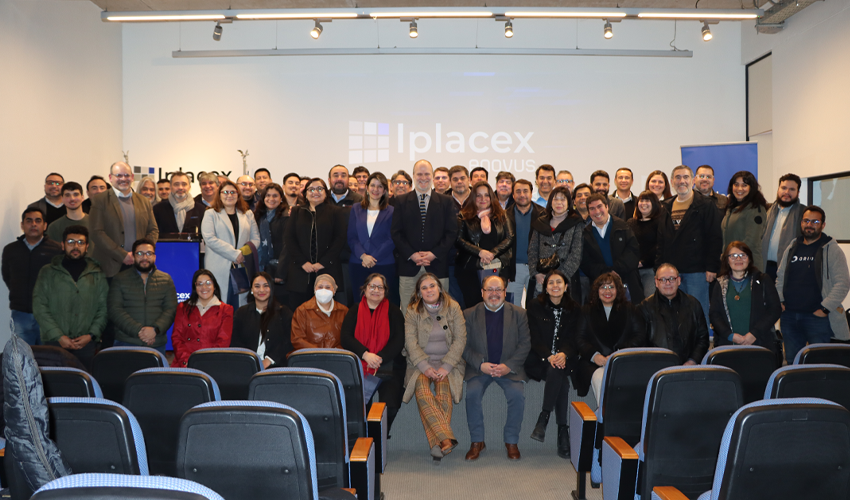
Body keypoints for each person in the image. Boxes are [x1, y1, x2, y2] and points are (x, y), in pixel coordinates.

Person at [462, 276, 531, 461]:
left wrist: (509, 366)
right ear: (482, 292)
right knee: (472, 394)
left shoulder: (519, 313)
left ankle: (511, 441)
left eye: (498, 290)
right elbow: (462, 345)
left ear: (505, 292)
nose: (494, 294)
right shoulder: (468, 314)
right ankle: (477, 441)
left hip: (508, 369)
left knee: (517, 395)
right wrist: (480, 364)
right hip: (479, 369)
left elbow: (525, 344)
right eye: (489, 290)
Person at [402, 273, 466, 463]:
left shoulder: (453, 307)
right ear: (419, 293)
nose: (429, 290)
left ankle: (438, 444)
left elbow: (461, 339)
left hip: (449, 364)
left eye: (432, 286)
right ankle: (445, 439)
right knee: (421, 389)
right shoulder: (412, 310)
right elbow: (410, 343)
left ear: (440, 288)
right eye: (424, 288)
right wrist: (424, 366)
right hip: (419, 364)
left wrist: (446, 366)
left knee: (444, 393)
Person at [776, 205, 850, 363]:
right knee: (792, 362)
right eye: (806, 221)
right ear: (801, 223)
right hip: (789, 317)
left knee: (819, 363)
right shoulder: (792, 246)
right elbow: (780, 276)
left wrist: (825, 308)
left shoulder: (831, 249)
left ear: (823, 225)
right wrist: (780, 300)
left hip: (816, 318)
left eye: (815, 221)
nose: (809, 224)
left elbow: (842, 283)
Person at [656, 165, 722, 328]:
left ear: (692, 181)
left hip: (697, 271)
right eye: (677, 177)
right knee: (674, 316)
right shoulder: (666, 206)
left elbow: (715, 237)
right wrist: (659, 268)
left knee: (698, 315)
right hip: (671, 272)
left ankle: (700, 353)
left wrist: (712, 267)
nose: (681, 181)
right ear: (672, 182)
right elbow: (661, 240)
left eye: (685, 177)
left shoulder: (705, 204)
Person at [33, 225, 106, 369]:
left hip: (86, 344)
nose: (75, 246)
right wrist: (59, 336)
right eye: (71, 242)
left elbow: (103, 308)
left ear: (87, 246)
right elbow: (39, 306)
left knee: (83, 385)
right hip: (55, 342)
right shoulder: (48, 272)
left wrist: (90, 335)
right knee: (56, 386)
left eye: (80, 242)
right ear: (62, 245)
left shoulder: (97, 273)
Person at [525, 270, 579, 458]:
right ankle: (562, 431)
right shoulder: (534, 306)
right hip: (540, 360)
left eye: (559, 282)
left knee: (559, 374)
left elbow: (574, 339)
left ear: (566, 287)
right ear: (545, 288)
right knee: (559, 375)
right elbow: (534, 336)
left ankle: (544, 418)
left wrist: (563, 354)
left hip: (565, 359)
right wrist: (549, 356)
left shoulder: (574, 308)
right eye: (551, 283)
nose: (555, 286)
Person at [341, 273, 406, 429]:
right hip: (360, 364)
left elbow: (398, 340)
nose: (376, 290)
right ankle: (363, 437)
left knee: (390, 402)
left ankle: (380, 434)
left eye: (380, 287)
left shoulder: (394, 311)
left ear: (385, 291)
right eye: (372, 286)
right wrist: (365, 354)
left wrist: (379, 358)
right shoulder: (354, 310)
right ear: (364, 288)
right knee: (359, 405)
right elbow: (345, 337)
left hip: (388, 364)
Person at [391, 160, 459, 305]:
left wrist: (433, 254)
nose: (423, 178)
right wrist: (412, 255)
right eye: (419, 174)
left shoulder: (446, 201)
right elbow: (396, 233)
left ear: (432, 176)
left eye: (427, 174)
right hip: (409, 266)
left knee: (440, 309)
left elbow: (451, 232)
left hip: (437, 266)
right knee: (408, 312)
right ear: (414, 176)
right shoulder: (401, 201)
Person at [576, 273, 645, 402]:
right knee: (600, 379)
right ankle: (606, 418)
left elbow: (640, 335)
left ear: (618, 290)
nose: (607, 291)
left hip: (624, 361)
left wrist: (618, 354)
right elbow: (580, 339)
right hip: (594, 362)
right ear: (597, 290)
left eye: (611, 287)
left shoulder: (630, 309)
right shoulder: (586, 311)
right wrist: (596, 356)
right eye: (603, 287)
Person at [710, 242, 781, 361]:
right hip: (728, 346)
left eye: (743, 255)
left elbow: (775, 310)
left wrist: (754, 334)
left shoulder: (763, 280)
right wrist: (730, 336)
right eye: (733, 256)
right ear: (727, 260)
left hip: (759, 344)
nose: (738, 259)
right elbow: (714, 314)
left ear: (749, 259)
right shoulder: (719, 283)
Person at [2, 208, 63, 345]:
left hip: (49, 314)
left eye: (38, 221)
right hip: (20, 313)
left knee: (48, 358)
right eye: (29, 221)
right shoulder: (11, 250)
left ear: (45, 225)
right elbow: (7, 277)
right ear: (22, 225)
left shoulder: (56, 250)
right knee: (23, 358)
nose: (33, 224)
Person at [107, 239, 177, 355]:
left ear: (154, 257)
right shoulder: (120, 279)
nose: (145, 257)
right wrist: (139, 331)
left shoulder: (166, 280)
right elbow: (115, 310)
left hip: (156, 343)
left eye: (149, 253)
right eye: (140, 253)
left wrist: (155, 330)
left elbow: (171, 309)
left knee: (154, 374)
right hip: (126, 343)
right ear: (133, 257)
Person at [285, 178, 346, 310]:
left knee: (326, 311)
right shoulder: (296, 211)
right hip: (300, 272)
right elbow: (289, 239)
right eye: (311, 189)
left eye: (319, 188)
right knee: (299, 312)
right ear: (305, 193)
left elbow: (340, 239)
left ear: (326, 192)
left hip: (327, 269)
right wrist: (303, 262)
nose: (315, 192)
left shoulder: (335, 212)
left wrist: (323, 263)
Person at [90, 161, 158, 279]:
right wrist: (122, 255)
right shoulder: (100, 200)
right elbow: (96, 232)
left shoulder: (144, 201)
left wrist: (141, 254)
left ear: (132, 177)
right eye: (119, 175)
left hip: (138, 266)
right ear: (111, 178)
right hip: (109, 267)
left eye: (126, 175)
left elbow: (153, 230)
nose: (123, 179)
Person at [201, 179, 260, 307]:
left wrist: (241, 253)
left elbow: (256, 239)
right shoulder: (211, 213)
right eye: (225, 192)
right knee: (219, 304)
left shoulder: (247, 213)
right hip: (218, 267)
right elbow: (209, 238)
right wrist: (234, 254)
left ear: (238, 195)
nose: (229, 195)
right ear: (219, 194)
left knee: (240, 306)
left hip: (241, 266)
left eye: (233, 192)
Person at [456, 181, 514, 308]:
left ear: (491, 197)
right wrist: (480, 252)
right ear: (473, 197)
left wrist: (492, 253)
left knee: (496, 306)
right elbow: (459, 240)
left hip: (497, 267)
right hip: (470, 270)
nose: (483, 199)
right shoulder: (463, 216)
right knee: (473, 308)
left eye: (486, 195)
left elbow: (510, 238)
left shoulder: (502, 215)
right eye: (478, 195)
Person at [638, 264, 709, 366]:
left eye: (672, 279)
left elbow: (703, 338)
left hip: (689, 367)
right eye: (662, 279)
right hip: (656, 367)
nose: (668, 283)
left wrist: (692, 361)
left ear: (679, 281)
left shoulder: (693, 304)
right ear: (656, 282)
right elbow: (641, 343)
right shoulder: (644, 307)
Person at [580, 194, 644, 303]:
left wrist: (616, 270)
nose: (596, 211)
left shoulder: (623, 226)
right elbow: (586, 263)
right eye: (592, 208)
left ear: (607, 206)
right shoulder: (584, 234)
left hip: (628, 283)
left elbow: (633, 251)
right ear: (588, 212)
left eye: (599, 206)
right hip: (599, 287)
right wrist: (607, 274)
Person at [348, 172, 398, 305]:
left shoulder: (392, 211)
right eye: (373, 185)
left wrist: (373, 257)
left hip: (383, 263)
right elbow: (352, 237)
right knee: (360, 303)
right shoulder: (356, 208)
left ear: (385, 190)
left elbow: (392, 238)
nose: (376, 189)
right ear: (367, 188)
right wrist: (363, 256)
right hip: (359, 263)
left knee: (383, 304)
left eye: (380, 186)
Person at [527, 186, 583, 302]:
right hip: (541, 277)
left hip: (566, 279)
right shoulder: (540, 222)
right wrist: (536, 273)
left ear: (569, 202)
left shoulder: (576, 223)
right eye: (555, 199)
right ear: (550, 202)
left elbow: (576, 254)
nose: (559, 203)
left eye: (562, 199)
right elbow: (532, 250)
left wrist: (560, 278)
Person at [170, 270, 234, 367]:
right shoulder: (183, 307)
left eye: (208, 283)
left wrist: (204, 363)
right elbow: (176, 337)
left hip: (212, 364)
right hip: (184, 364)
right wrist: (187, 361)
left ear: (214, 285)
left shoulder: (226, 310)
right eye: (199, 284)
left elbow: (223, 342)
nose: (204, 287)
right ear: (195, 287)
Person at [231, 271, 293, 368]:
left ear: (271, 289)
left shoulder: (283, 312)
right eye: (257, 286)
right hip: (247, 365)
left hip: (276, 365)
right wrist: (250, 361)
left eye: (265, 286)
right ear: (251, 289)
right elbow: (235, 341)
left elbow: (288, 341)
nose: (261, 290)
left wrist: (269, 360)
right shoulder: (241, 313)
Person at [721, 171, 768, 271]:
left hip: (747, 265)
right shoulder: (731, 207)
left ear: (751, 188)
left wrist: (734, 258)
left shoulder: (755, 209)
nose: (739, 189)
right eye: (736, 185)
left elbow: (751, 242)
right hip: (732, 264)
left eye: (744, 185)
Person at [506, 179, 543, 307]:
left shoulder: (543, 214)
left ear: (531, 193)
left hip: (537, 269)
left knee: (536, 307)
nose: (522, 195)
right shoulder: (504, 215)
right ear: (513, 195)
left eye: (525, 191)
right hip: (513, 269)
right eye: (518, 191)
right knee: (512, 308)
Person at [761, 173, 804, 282]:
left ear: (798, 193)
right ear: (778, 190)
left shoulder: (803, 213)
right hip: (763, 268)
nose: (787, 192)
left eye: (792, 189)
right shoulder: (766, 210)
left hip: (789, 269)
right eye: (783, 188)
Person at [291, 274, 348, 351]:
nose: (323, 290)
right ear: (315, 290)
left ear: (334, 290)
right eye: (320, 287)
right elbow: (297, 339)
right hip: (310, 356)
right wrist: (320, 352)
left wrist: (335, 352)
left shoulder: (344, 311)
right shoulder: (302, 311)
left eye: (328, 287)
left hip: (337, 356)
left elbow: (348, 338)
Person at [254, 183, 289, 301]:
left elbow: (287, 246)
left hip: (279, 269)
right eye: (268, 195)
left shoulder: (286, 217)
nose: (271, 199)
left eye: (275, 196)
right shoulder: (258, 217)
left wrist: (281, 272)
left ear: (281, 198)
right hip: (262, 268)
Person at [627, 191, 663, 297]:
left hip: (651, 270)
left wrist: (643, 262)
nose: (643, 203)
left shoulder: (660, 222)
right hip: (632, 271)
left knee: (649, 302)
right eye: (641, 200)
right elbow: (627, 244)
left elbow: (660, 245)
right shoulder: (630, 222)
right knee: (634, 304)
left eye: (647, 200)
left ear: (654, 203)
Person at [47, 182, 94, 254]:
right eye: (67, 195)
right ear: (62, 199)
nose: (72, 199)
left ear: (82, 198)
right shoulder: (54, 227)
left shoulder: (96, 223)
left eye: (76, 194)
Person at [153, 172, 203, 237]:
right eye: (176, 184)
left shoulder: (200, 209)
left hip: (193, 247)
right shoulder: (158, 209)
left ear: (189, 187)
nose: (180, 187)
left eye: (184, 184)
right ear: (170, 187)